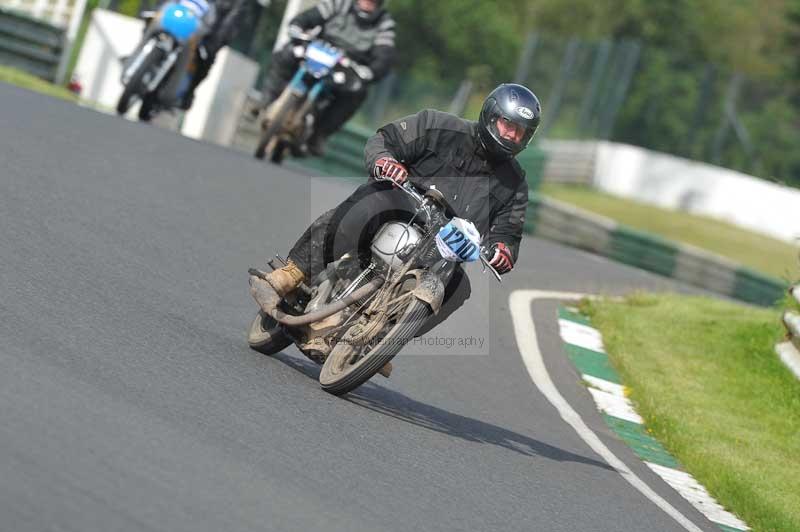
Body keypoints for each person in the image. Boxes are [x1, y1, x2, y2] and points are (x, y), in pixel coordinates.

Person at [250, 83, 542, 355]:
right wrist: (385, 161)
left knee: (459, 288)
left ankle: (380, 342)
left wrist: (502, 251)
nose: (513, 137)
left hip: (440, 251)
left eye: (522, 133)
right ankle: (294, 272)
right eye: (509, 126)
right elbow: (384, 140)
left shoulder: (515, 183)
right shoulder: (438, 126)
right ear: (491, 116)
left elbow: (508, 233)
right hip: (399, 205)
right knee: (369, 205)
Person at [256, 0, 397, 155]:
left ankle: (319, 135)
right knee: (285, 54)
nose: (367, 3)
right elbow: (306, 18)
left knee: (357, 91)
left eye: (373, 1)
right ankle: (266, 100)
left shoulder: (385, 24)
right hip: (319, 49)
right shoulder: (337, 4)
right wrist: (297, 28)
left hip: (348, 66)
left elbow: (384, 56)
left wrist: (371, 72)